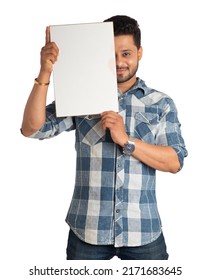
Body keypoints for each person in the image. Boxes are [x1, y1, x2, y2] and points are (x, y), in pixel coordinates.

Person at [21, 15, 188, 260]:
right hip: (87, 232)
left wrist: (126, 141)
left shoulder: (160, 103)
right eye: (112, 54)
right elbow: (32, 128)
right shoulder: (82, 95)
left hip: (143, 232)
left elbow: (175, 161)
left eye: (127, 53)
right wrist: (45, 72)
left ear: (139, 53)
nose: (119, 62)